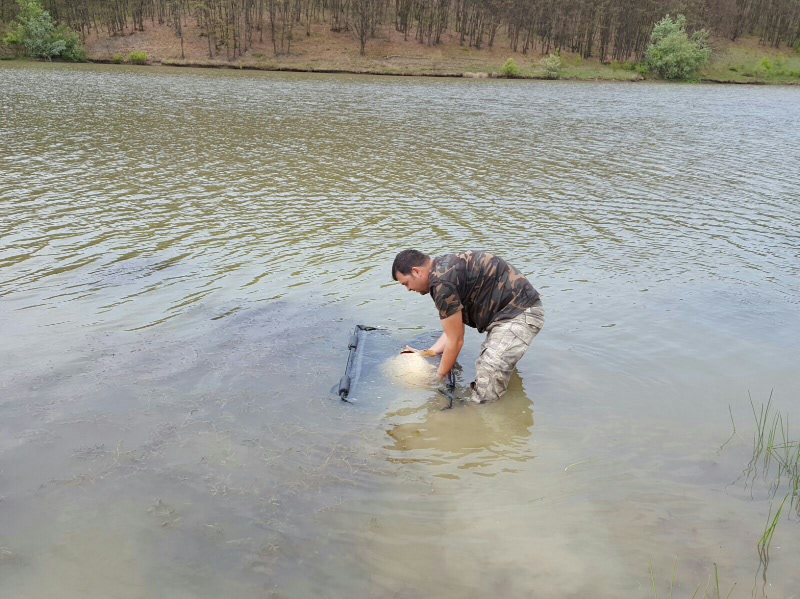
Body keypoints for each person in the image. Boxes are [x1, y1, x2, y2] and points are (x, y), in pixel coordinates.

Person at [391, 249, 544, 403]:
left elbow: (456, 340)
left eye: (406, 283)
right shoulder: (443, 270)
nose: (408, 289)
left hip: (519, 314)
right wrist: (430, 352)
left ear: (416, 271)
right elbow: (453, 331)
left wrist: (438, 378)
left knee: (488, 370)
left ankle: (479, 412)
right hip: (512, 313)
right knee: (498, 367)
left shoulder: (441, 284)